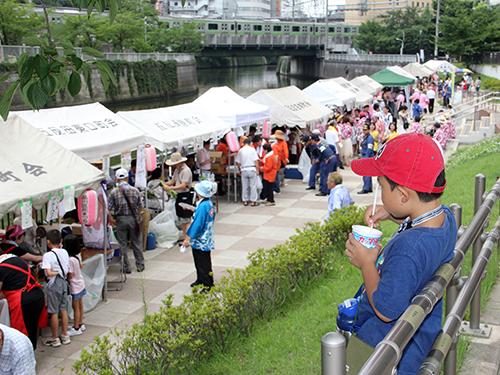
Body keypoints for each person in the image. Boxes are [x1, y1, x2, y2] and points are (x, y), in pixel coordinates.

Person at [346, 133, 456, 375]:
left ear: (404, 195)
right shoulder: (445, 218)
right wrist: (394, 212)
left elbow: (386, 310)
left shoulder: (409, 250)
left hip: (386, 349)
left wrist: (367, 263)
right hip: (420, 335)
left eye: (382, 186)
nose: (380, 190)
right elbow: (422, 222)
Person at [0, 247, 45, 349]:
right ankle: (31, 358)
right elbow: (11, 288)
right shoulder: (14, 258)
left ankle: (23, 360)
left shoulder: (1, 268)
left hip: (23, 301)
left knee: (20, 336)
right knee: (32, 332)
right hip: (38, 296)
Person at [109, 168, 145, 274]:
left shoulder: (114, 192)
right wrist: (136, 217)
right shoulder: (135, 190)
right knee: (136, 242)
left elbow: (109, 208)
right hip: (133, 219)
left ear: (116, 179)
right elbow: (140, 207)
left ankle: (126, 267)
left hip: (121, 219)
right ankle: (140, 265)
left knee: (122, 244)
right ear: (127, 178)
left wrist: (112, 219)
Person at [182, 181, 216, 293]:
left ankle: (208, 284)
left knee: (202, 262)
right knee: (201, 260)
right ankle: (201, 279)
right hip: (206, 237)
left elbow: (197, 224)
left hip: (201, 239)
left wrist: (188, 239)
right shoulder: (209, 203)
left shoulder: (203, 206)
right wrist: (193, 209)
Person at [42, 230, 71, 347]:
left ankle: (55, 338)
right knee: (63, 310)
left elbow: (48, 273)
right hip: (64, 282)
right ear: (60, 241)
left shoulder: (47, 255)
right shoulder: (64, 252)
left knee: (53, 311)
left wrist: (56, 272)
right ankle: (65, 335)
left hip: (54, 284)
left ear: (48, 242)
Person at [162, 153, 194, 241]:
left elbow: (183, 185)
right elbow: (172, 181)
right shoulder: (177, 170)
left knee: (186, 217)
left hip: (185, 194)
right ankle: (184, 234)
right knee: (181, 216)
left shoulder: (186, 171)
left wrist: (170, 188)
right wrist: (163, 183)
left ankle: (187, 237)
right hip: (179, 195)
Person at [64, 235, 86, 337]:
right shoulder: (78, 255)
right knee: (80, 305)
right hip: (81, 283)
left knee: (75, 307)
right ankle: (81, 323)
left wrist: (66, 277)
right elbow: (81, 266)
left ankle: (76, 327)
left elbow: (70, 275)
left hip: (75, 286)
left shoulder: (70, 260)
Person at [236, 138, 260, 207]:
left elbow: (238, 162)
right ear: (250, 143)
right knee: (253, 185)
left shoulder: (240, 150)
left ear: (243, 143)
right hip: (252, 168)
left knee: (245, 186)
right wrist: (257, 169)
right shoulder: (252, 150)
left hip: (244, 169)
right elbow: (256, 161)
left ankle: (245, 200)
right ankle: (253, 201)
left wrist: (239, 169)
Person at [357, 123, 374, 194]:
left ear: (369, 130)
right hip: (365, 155)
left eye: (366, 130)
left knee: (366, 173)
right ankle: (369, 187)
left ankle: (366, 188)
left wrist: (366, 157)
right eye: (363, 130)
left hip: (367, 156)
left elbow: (370, 148)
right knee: (367, 173)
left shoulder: (369, 138)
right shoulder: (366, 137)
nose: (364, 131)